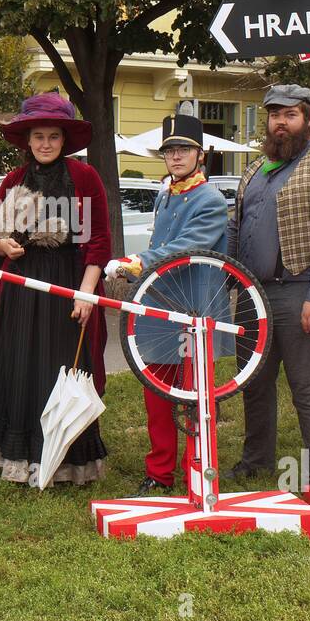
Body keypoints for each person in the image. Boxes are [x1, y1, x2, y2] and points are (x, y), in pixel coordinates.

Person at [0, 92, 111, 485]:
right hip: (21, 287)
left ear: (64, 140)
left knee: (61, 366)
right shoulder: (14, 180)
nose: (45, 144)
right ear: (28, 140)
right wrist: (4, 246)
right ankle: (20, 458)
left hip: (68, 285)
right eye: (38, 136)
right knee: (21, 364)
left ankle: (66, 460)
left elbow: (98, 242)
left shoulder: (84, 178)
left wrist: (86, 293)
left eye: (53, 136)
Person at [227, 84, 310, 486]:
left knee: (307, 386)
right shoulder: (253, 170)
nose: (281, 122)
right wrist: (227, 281)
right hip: (252, 294)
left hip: (300, 292)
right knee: (254, 384)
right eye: (275, 115)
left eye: (290, 115)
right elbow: (235, 227)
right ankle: (257, 460)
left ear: (308, 121)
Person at [104, 110, 230, 494]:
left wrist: (137, 261)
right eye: (170, 150)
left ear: (200, 155)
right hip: (159, 306)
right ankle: (159, 473)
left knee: (195, 398)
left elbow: (187, 246)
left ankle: (199, 467)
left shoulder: (209, 199)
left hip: (194, 308)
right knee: (156, 398)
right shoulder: (165, 192)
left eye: (184, 150)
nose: (176, 157)